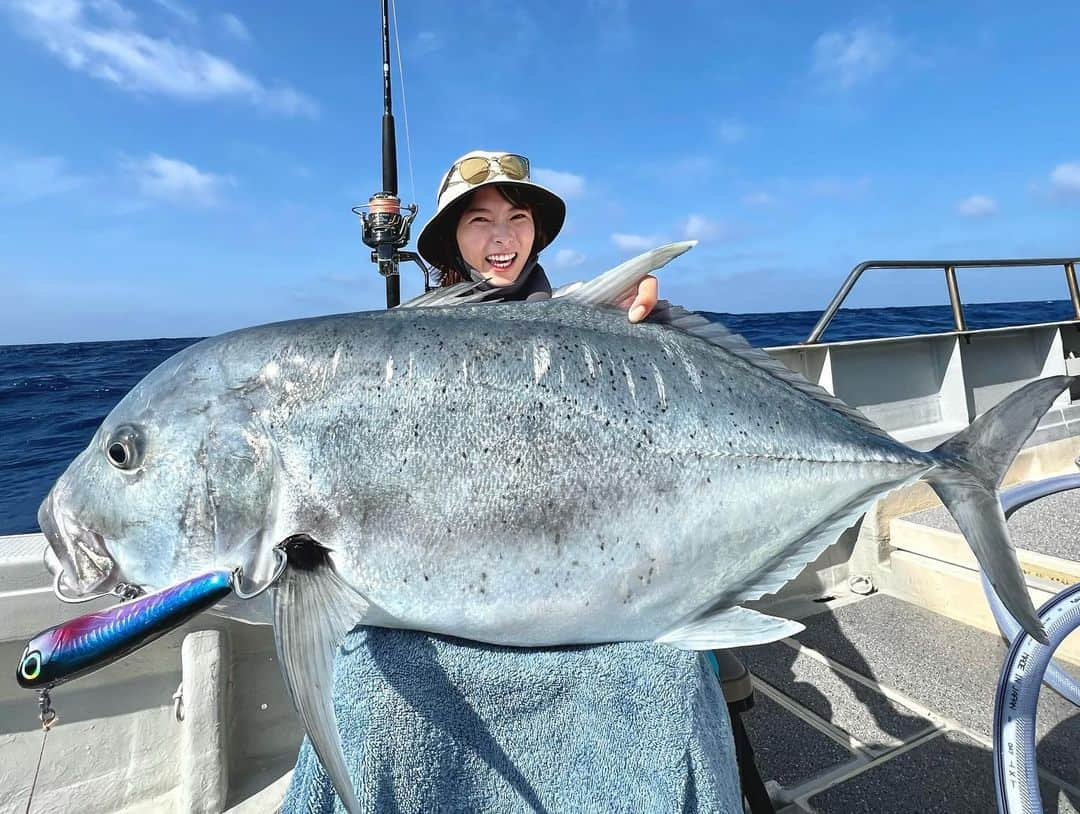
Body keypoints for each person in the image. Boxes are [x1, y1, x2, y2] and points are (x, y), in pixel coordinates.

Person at [281, 152, 744, 813]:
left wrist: (652, 333)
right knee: (368, 698)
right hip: (451, 594)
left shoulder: (597, 324)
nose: (502, 238)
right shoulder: (401, 351)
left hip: (590, 584)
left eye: (517, 217)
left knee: (666, 676)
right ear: (450, 240)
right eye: (480, 221)